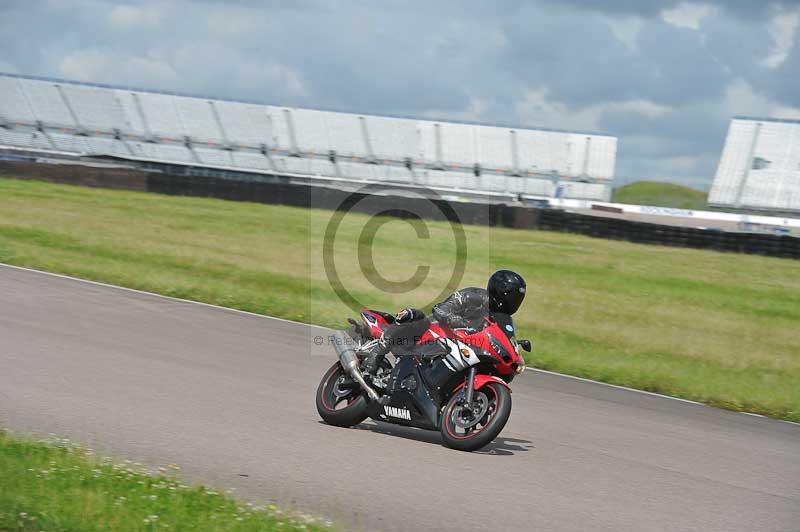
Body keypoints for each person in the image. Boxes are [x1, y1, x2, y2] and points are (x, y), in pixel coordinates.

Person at [362, 270, 526, 375]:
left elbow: (500, 336)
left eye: (517, 299)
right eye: (512, 297)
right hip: (435, 332)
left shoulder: (502, 319)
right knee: (412, 315)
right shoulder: (473, 295)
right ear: (500, 292)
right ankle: (373, 360)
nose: (514, 302)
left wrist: (514, 347)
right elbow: (440, 309)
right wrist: (458, 321)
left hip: (462, 348)